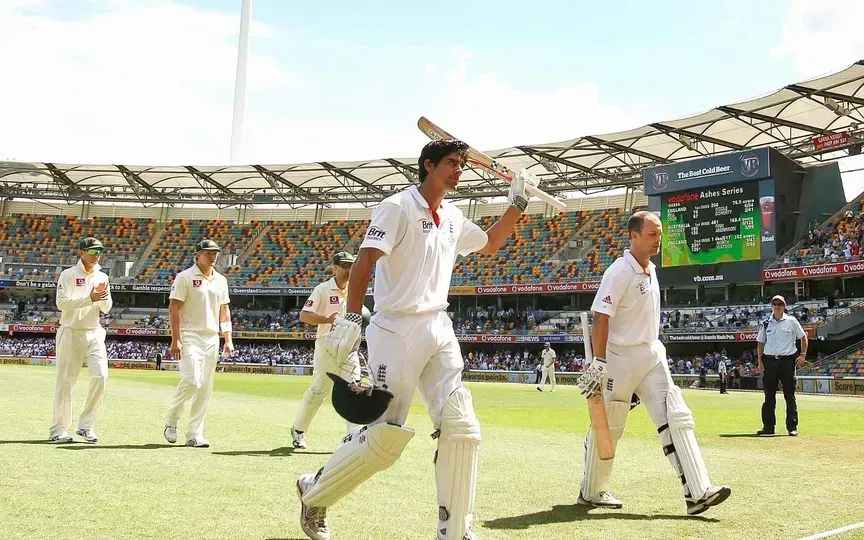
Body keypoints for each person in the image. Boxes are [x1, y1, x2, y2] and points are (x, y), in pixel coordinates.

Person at [295, 138, 539, 540]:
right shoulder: (397, 206)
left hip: (438, 326)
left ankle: (455, 530)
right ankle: (315, 490)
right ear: (427, 165)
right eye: (450, 163)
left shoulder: (455, 216)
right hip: (395, 329)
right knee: (386, 433)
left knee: (462, 425)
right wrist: (353, 317)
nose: (458, 170)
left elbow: (492, 243)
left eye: (461, 164)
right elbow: (364, 262)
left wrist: (518, 203)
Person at [576, 211, 730, 515]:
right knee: (610, 424)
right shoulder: (619, 271)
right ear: (633, 236)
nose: (658, 240)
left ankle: (698, 492)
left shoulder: (650, 269)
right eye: (652, 235)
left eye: (659, 235)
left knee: (676, 416)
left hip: (651, 354)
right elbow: (601, 318)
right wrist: (598, 362)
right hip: (619, 358)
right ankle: (592, 491)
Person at [163, 239, 233, 448]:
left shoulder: (221, 280)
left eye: (215, 253)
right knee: (192, 381)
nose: (213, 257)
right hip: (189, 334)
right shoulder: (184, 277)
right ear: (198, 255)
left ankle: (194, 434)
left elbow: (224, 310)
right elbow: (174, 308)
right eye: (208, 253)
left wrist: (228, 338)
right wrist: (175, 339)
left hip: (211, 336)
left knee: (205, 388)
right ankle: (171, 420)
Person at [291, 251, 361, 449]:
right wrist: (327, 319)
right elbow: (305, 316)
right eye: (345, 266)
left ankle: (354, 437)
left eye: (351, 267)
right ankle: (298, 430)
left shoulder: (357, 289)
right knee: (317, 393)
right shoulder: (323, 289)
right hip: (327, 348)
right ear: (335, 268)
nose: (349, 270)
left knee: (353, 390)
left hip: (349, 350)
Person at [48, 237, 113, 444]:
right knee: (66, 383)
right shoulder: (68, 275)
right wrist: (90, 298)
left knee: (101, 376)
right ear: (81, 253)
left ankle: (85, 426)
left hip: (94, 331)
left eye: (99, 252)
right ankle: (58, 429)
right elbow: (61, 304)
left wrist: (102, 297)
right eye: (92, 252)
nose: (96, 255)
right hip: (71, 332)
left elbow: (107, 308)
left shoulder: (102, 276)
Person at [756, 295, 807, 437]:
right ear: (771, 306)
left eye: (780, 304)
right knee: (769, 396)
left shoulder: (791, 321)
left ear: (784, 306)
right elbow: (760, 343)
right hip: (770, 362)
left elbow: (803, 337)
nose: (777, 306)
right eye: (775, 304)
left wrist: (802, 355)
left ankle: (792, 427)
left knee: (789, 395)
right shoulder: (765, 323)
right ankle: (768, 427)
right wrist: (760, 362)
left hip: (787, 362)